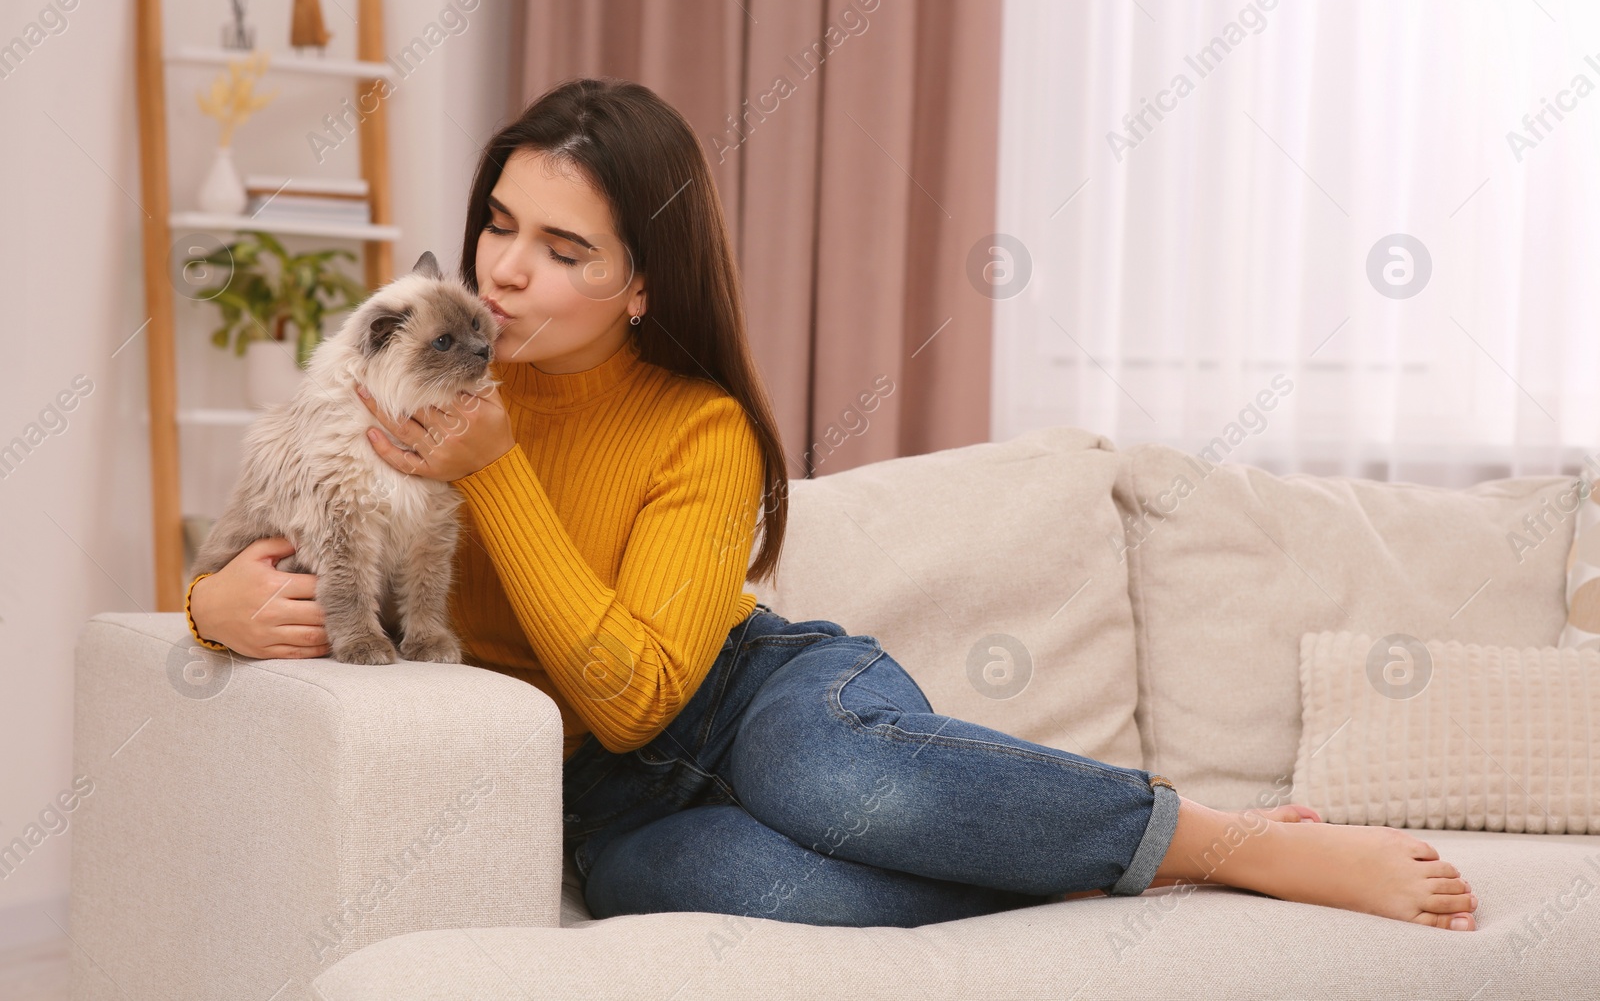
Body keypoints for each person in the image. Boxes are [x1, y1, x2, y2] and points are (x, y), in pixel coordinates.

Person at [186, 76, 1478, 931]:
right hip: (607, 806)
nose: (508, 275)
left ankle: (1221, 841)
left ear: (642, 284)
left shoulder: (698, 430)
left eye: (564, 250)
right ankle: (1091, 854)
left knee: (847, 783)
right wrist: (210, 600)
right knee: (804, 887)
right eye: (498, 226)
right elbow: (277, 512)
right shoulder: (408, 367)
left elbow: (635, 690)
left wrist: (497, 470)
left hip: (750, 697)